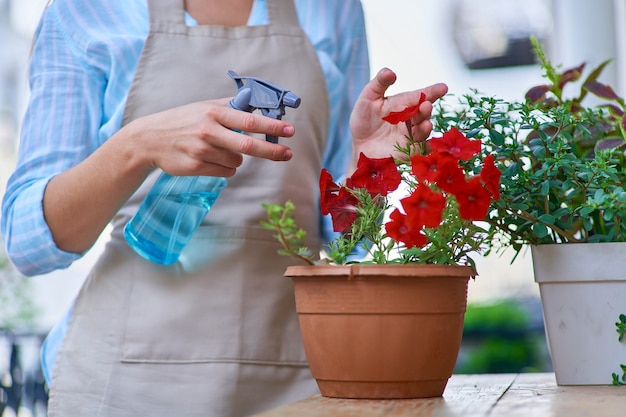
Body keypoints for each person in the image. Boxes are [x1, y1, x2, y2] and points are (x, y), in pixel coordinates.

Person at [1, 0, 448, 416]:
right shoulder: (86, 11)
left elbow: (345, 241)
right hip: (125, 383)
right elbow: (29, 244)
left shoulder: (330, 8)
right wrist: (134, 146)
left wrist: (368, 165)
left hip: (298, 376)